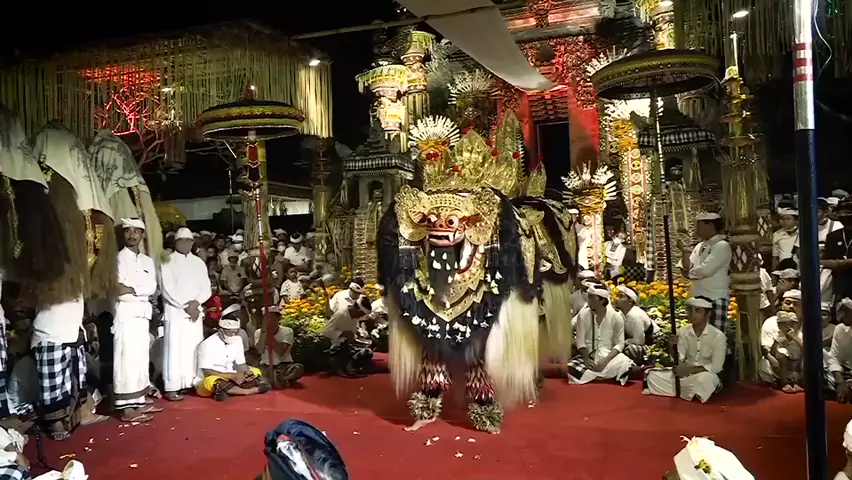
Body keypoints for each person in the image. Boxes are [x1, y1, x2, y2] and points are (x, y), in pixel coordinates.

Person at [114, 218, 162, 422]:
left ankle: (138, 401)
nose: (132, 235)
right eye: (128, 231)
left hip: (143, 315)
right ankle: (126, 408)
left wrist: (132, 289)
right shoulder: (117, 259)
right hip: (126, 315)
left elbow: (152, 288)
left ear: (142, 235)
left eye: (136, 231)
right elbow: (119, 291)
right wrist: (138, 291)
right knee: (126, 361)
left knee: (140, 360)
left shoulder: (147, 261)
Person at [160, 227, 212, 402]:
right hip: (175, 312)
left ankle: (192, 383)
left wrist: (196, 303)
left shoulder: (198, 262)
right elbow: (167, 288)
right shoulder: (167, 261)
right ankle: (172, 387)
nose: (185, 244)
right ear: (176, 242)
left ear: (192, 243)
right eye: (181, 241)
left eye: (188, 241)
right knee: (174, 350)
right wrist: (186, 305)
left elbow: (206, 287)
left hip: (195, 312)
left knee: (194, 347)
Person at [643, 296, 726, 403]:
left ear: (708, 314)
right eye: (690, 310)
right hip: (685, 375)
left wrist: (689, 370)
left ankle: (681, 391)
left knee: (707, 380)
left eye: (698, 310)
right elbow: (678, 358)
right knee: (652, 376)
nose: (692, 314)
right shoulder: (683, 331)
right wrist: (671, 346)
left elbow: (716, 367)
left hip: (703, 374)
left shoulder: (718, 336)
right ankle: (691, 393)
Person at [195, 305, 270, 401]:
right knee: (211, 382)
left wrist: (246, 372)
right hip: (213, 377)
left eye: (236, 331)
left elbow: (241, 364)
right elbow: (207, 372)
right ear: (220, 330)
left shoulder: (238, 339)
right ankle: (248, 391)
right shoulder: (207, 344)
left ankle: (227, 390)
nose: (233, 334)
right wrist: (232, 376)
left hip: (233, 377)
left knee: (256, 371)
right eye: (230, 332)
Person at [678, 212, 732, 340]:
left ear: (710, 225)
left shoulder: (722, 245)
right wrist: (684, 252)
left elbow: (706, 270)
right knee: (698, 339)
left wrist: (690, 273)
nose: (696, 228)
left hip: (715, 297)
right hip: (697, 297)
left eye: (699, 225)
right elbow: (685, 267)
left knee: (715, 339)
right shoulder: (699, 246)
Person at [566, 285, 634, 385]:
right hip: (590, 357)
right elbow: (580, 341)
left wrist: (605, 361)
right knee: (571, 368)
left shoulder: (616, 316)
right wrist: (586, 359)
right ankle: (607, 376)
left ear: (602, 300)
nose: (588, 300)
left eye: (591, 297)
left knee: (628, 365)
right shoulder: (583, 315)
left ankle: (594, 377)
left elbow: (620, 344)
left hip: (608, 357)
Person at [323, 296, 374, 378]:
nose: (361, 317)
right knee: (343, 351)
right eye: (361, 314)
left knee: (368, 352)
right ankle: (346, 366)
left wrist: (358, 335)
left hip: (348, 346)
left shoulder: (354, 316)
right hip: (336, 347)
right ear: (358, 310)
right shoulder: (341, 314)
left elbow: (352, 333)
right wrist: (343, 333)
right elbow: (326, 332)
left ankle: (349, 365)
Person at [254, 309, 305, 387]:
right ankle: (277, 380)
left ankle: (281, 378)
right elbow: (260, 351)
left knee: (298, 368)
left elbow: (280, 352)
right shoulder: (258, 332)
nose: (268, 321)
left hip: (283, 366)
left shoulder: (287, 331)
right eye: (265, 318)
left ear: (278, 318)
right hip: (266, 366)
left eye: (271, 317)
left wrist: (269, 334)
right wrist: (263, 333)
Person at [757, 311, 804, 393]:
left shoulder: (800, 335)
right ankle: (784, 382)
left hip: (797, 364)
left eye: (792, 323)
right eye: (784, 324)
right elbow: (772, 353)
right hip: (782, 365)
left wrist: (795, 338)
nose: (788, 326)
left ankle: (798, 383)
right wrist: (776, 342)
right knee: (782, 352)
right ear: (779, 326)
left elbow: (806, 350)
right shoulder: (778, 335)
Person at [615, 285, 658, 365]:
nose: (617, 299)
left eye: (620, 296)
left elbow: (639, 341)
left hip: (653, 345)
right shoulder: (621, 314)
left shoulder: (634, 315)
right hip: (635, 342)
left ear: (630, 301)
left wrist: (623, 342)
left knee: (631, 350)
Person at [823, 197, 852, 301]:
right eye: (842, 212)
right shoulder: (832, 236)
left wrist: (838, 263)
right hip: (839, 286)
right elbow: (826, 260)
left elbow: (833, 263)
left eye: (849, 212)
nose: (845, 215)